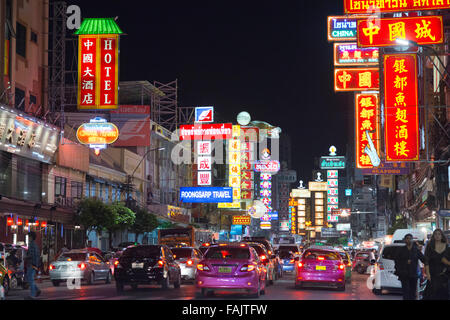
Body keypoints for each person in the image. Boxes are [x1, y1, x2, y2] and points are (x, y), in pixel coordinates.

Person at [394, 234, 428, 300]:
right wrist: (404, 263)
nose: (409, 240)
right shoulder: (401, 250)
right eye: (407, 238)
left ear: (412, 240)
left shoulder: (416, 250)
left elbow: (423, 259)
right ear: (404, 240)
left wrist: (429, 263)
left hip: (413, 274)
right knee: (406, 292)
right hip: (404, 275)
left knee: (412, 293)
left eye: (410, 238)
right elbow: (397, 261)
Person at [424, 229, 449, 300]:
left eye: (439, 234)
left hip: (444, 274)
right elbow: (426, 261)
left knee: (443, 294)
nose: (437, 236)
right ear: (433, 236)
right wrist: (428, 273)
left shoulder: (446, 246)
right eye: (436, 234)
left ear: (442, 236)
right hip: (432, 273)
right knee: (431, 294)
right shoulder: (430, 246)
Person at [25, 231, 41, 300]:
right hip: (35, 264)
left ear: (31, 237)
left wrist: (25, 257)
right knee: (29, 279)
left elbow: (31, 255)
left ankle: (32, 295)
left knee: (30, 279)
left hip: (31, 264)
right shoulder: (35, 245)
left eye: (29, 236)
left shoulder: (31, 244)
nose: (28, 238)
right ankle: (36, 290)